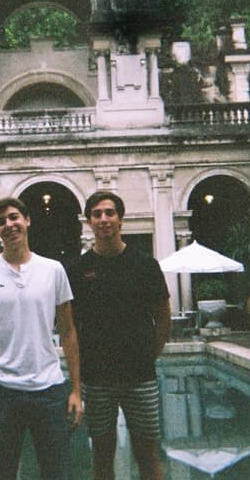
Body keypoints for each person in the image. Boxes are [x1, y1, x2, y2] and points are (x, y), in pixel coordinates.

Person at [0, 197, 83, 480]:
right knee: (0, 472)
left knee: (56, 472)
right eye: (1, 221)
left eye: (14, 217)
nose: (9, 225)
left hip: (50, 389)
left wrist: (76, 390)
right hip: (2, 390)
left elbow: (68, 331)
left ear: (27, 220)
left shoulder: (53, 270)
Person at [67, 191, 172, 480]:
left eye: (109, 212)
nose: (104, 219)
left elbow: (163, 316)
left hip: (140, 375)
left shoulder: (144, 264)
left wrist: (150, 354)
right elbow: (70, 327)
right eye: (97, 214)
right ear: (88, 221)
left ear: (120, 219)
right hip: (97, 376)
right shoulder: (77, 269)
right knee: (101, 455)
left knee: (148, 454)